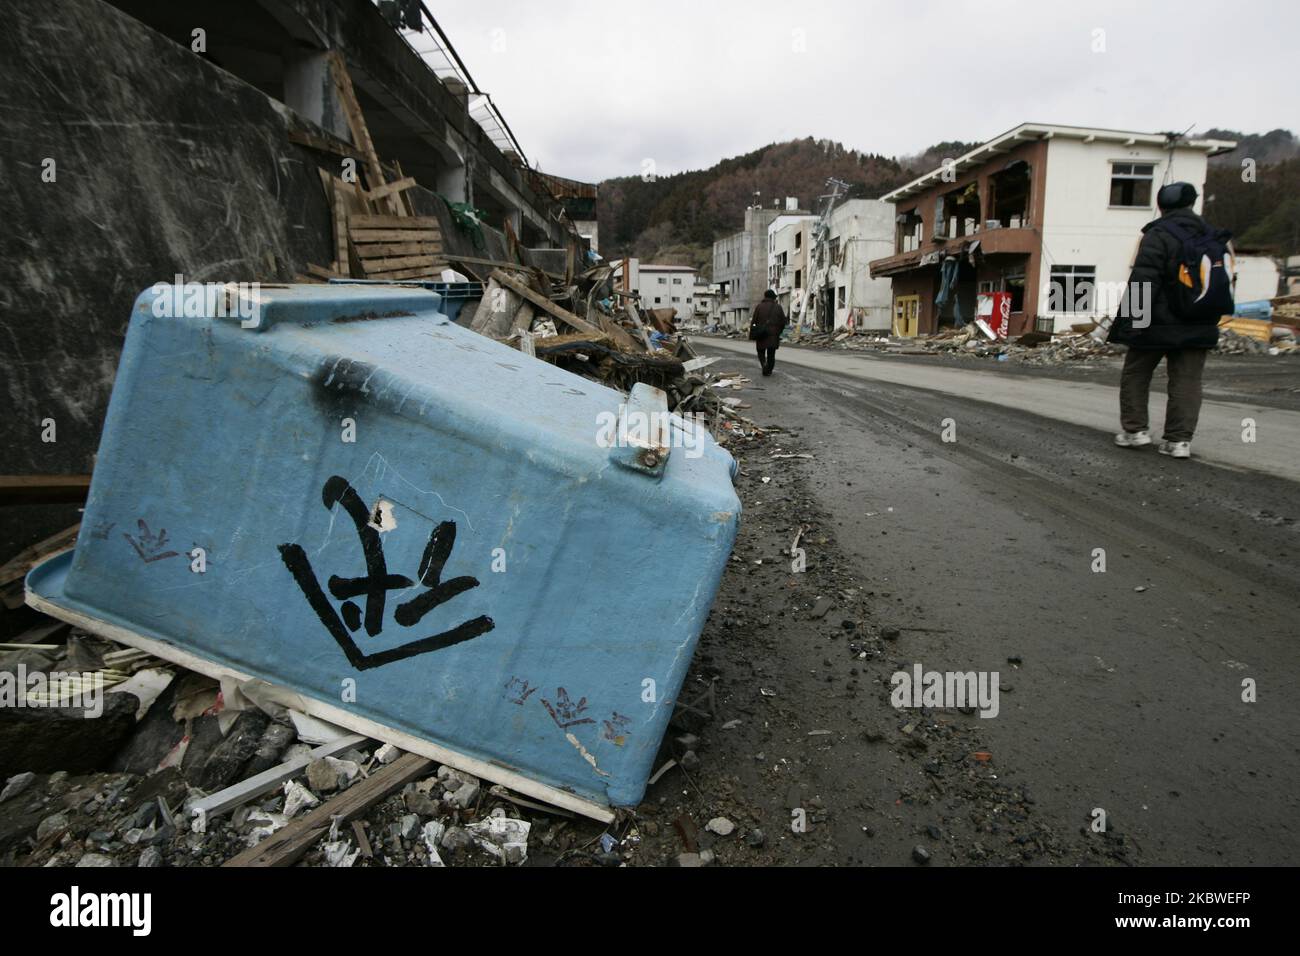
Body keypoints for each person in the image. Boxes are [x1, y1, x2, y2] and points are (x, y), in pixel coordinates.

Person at [1107, 181, 1234, 459]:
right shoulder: (1214, 236)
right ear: (1191, 204)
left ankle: (1136, 431)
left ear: (1162, 206)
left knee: (1136, 373)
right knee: (1187, 381)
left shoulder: (1158, 234)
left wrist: (1131, 323)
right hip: (1200, 321)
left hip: (1156, 322)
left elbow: (1143, 279)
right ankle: (1178, 442)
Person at [749, 290, 788, 376]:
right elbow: (783, 322)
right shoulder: (778, 307)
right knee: (771, 354)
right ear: (773, 297)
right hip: (773, 335)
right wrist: (778, 332)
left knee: (761, 352)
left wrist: (754, 330)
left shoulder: (759, 307)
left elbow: (754, 322)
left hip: (761, 334)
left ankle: (764, 365)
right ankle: (769, 369)